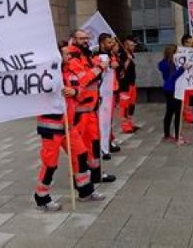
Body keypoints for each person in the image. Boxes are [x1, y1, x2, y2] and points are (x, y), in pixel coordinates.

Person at [33, 43, 105, 211]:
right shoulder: (44, 74)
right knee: (50, 163)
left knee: (80, 154)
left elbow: (80, 88)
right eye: (66, 54)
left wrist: (75, 92)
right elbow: (39, 96)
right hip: (51, 126)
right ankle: (41, 197)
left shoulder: (69, 71)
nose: (69, 57)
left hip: (68, 124)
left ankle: (85, 190)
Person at [66, 30, 115, 184]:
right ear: (73, 39)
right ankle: (79, 179)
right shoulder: (72, 57)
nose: (85, 40)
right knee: (79, 147)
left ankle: (95, 175)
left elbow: (92, 72)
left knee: (94, 144)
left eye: (87, 38)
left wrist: (100, 66)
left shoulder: (85, 55)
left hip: (91, 108)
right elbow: (83, 78)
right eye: (82, 38)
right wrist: (100, 68)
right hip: (80, 110)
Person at [157, 44, 188, 145]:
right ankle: (177, 136)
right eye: (177, 52)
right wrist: (183, 69)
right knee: (177, 113)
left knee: (169, 112)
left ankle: (167, 134)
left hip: (168, 88)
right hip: (174, 89)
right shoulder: (171, 64)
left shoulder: (163, 63)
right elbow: (173, 76)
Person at [117, 36, 139, 133]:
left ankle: (130, 123)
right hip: (124, 85)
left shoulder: (130, 54)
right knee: (124, 106)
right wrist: (128, 60)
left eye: (134, 45)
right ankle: (125, 126)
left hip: (131, 83)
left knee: (131, 105)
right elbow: (121, 70)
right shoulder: (122, 55)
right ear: (126, 45)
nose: (133, 47)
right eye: (131, 45)